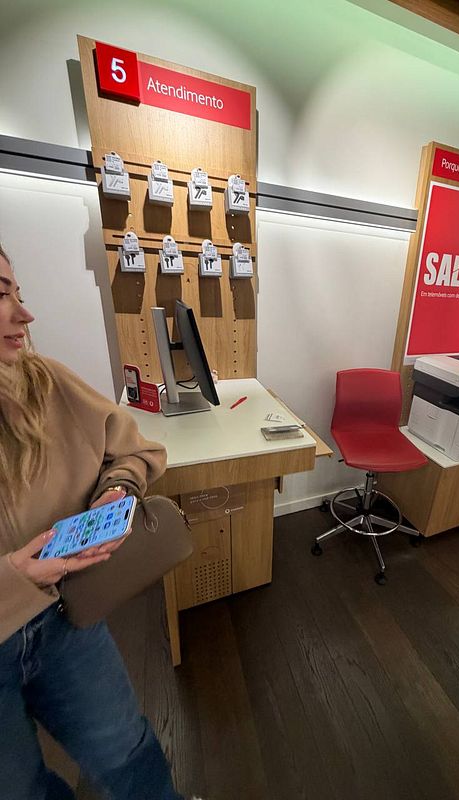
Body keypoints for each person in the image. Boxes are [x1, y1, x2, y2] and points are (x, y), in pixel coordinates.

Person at [0, 245, 184, 800]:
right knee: (19, 788)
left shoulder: (45, 383)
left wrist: (117, 491)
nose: (24, 315)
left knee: (126, 753)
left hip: (61, 620)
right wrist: (12, 576)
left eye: (18, 293)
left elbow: (131, 452)